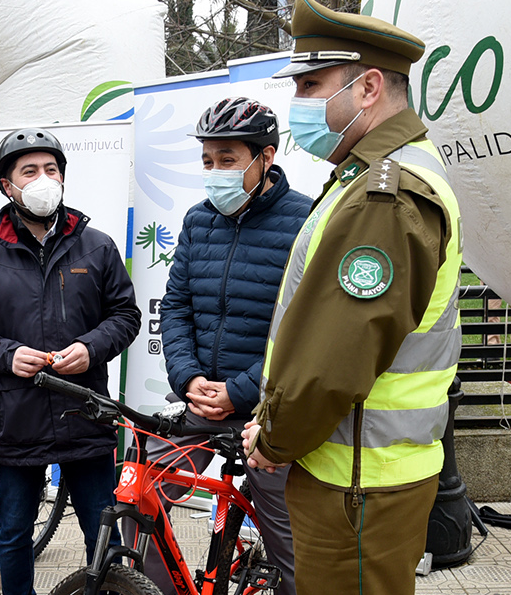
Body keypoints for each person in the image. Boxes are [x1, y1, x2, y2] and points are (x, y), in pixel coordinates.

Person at [241, 2, 463, 594]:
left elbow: (335, 355)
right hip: (360, 472)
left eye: (312, 85)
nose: (299, 103)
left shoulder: (384, 196)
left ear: (367, 88)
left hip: (358, 482)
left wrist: (273, 436)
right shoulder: (372, 178)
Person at [123, 99, 311, 595]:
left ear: (265, 157)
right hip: (199, 404)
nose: (214, 172)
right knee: (141, 500)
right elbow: (177, 304)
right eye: (207, 161)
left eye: (227, 160)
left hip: (265, 411)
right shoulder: (197, 220)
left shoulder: (307, 220)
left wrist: (242, 390)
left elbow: (306, 330)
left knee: (290, 542)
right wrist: (186, 378)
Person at [0, 127, 141, 595]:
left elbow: (125, 315)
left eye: (51, 169)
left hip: (86, 413)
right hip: (18, 419)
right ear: (7, 186)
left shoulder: (97, 246)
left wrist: (91, 347)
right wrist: (7, 354)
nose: (43, 178)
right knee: (14, 532)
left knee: (102, 533)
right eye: (29, 171)